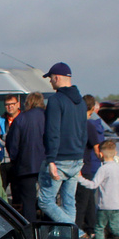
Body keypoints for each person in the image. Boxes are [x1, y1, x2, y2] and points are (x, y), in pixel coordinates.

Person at [38, 62, 87, 224]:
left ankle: (75, 233)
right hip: (76, 158)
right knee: (68, 202)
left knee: (45, 201)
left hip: (59, 159)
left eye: (51, 79)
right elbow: (83, 130)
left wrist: (51, 159)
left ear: (57, 78)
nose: (50, 82)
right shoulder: (81, 102)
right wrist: (81, 156)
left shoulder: (55, 100)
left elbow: (52, 131)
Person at [5, 92, 46, 222]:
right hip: (46, 164)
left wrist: (15, 159)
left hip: (25, 164)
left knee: (28, 201)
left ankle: (31, 230)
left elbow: (12, 144)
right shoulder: (48, 117)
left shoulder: (21, 119)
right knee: (48, 199)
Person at [76, 95, 105, 235]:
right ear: (93, 108)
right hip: (86, 167)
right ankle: (79, 230)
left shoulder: (74, 123)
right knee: (83, 201)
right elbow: (97, 147)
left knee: (86, 201)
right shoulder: (89, 125)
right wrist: (106, 159)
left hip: (73, 164)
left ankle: (90, 227)